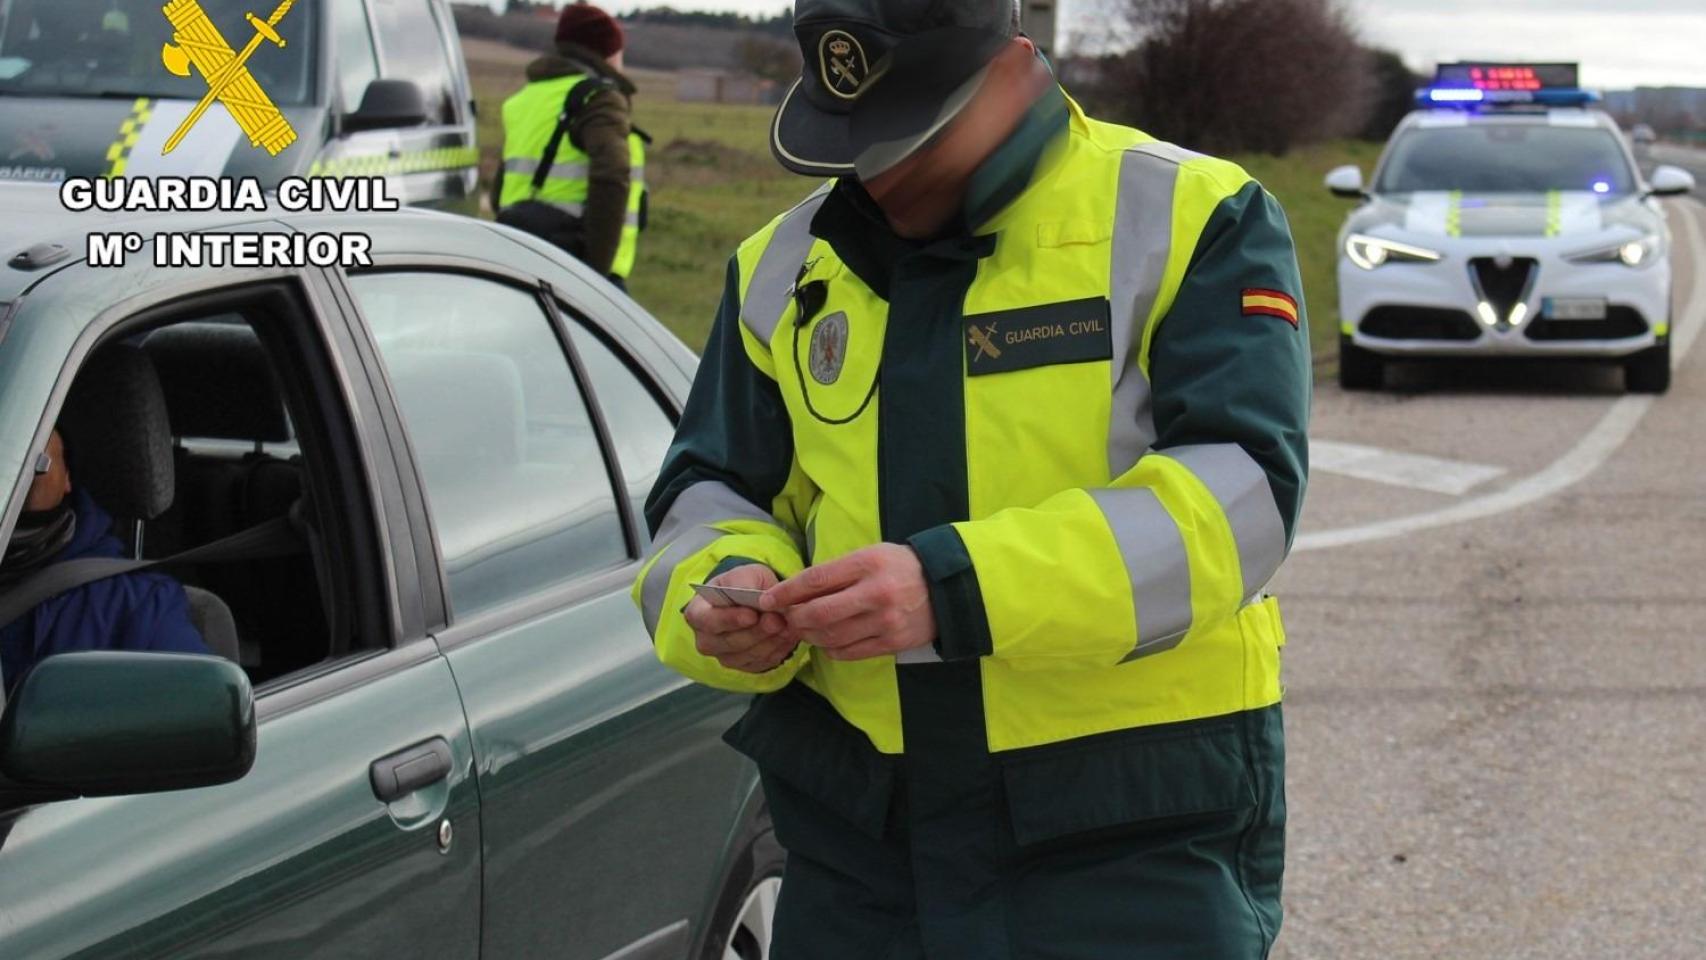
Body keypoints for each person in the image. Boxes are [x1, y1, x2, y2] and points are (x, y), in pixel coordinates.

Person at [633, 0, 1310, 956]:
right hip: (862, 846)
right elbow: (710, 492)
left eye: (913, 129)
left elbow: (1241, 500)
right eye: (854, 135)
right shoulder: (780, 269)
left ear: (1014, 64)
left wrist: (954, 592)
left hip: (1130, 833)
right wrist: (728, 593)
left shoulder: (1193, 216)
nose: (879, 168)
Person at [0, 430, 206, 693]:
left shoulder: (139, 605)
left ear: (67, 478)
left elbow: (197, 709)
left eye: (36, 461)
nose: (13, 472)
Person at [495, 3, 646, 290]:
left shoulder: (523, 99)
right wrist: (595, 276)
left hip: (518, 254)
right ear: (608, 53)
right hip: (577, 266)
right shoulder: (598, 98)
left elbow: (502, 185)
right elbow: (612, 176)